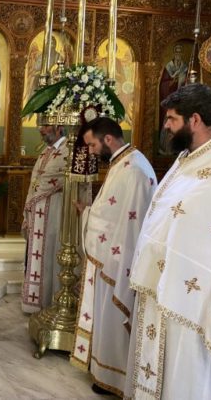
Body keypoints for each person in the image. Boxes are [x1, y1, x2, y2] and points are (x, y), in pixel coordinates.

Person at [126, 83, 211, 399]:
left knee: (187, 377)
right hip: (163, 288)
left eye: (171, 119)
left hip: (198, 302)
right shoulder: (189, 157)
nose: (166, 126)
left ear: (194, 120)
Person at [71, 117, 157, 397]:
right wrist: (89, 211)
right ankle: (104, 371)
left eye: (92, 145)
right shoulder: (123, 163)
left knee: (114, 316)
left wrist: (88, 215)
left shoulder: (133, 170)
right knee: (106, 317)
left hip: (121, 261)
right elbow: (114, 212)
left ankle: (115, 377)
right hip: (113, 255)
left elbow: (129, 221)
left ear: (108, 139)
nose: (91, 151)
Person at [21, 124, 68, 313]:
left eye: (46, 126)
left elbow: (48, 180)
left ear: (59, 127)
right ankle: (37, 300)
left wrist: (32, 199)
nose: (41, 130)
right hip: (39, 211)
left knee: (50, 253)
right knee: (39, 254)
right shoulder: (46, 151)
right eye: (40, 126)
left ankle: (50, 299)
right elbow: (35, 182)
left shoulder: (68, 150)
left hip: (55, 210)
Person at [159, 43, 188, 154]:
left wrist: (182, 82)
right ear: (174, 53)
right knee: (168, 122)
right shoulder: (169, 66)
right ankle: (166, 147)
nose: (178, 54)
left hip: (180, 100)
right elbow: (163, 84)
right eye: (176, 52)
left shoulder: (185, 67)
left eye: (180, 52)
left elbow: (187, 83)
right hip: (169, 99)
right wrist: (172, 82)